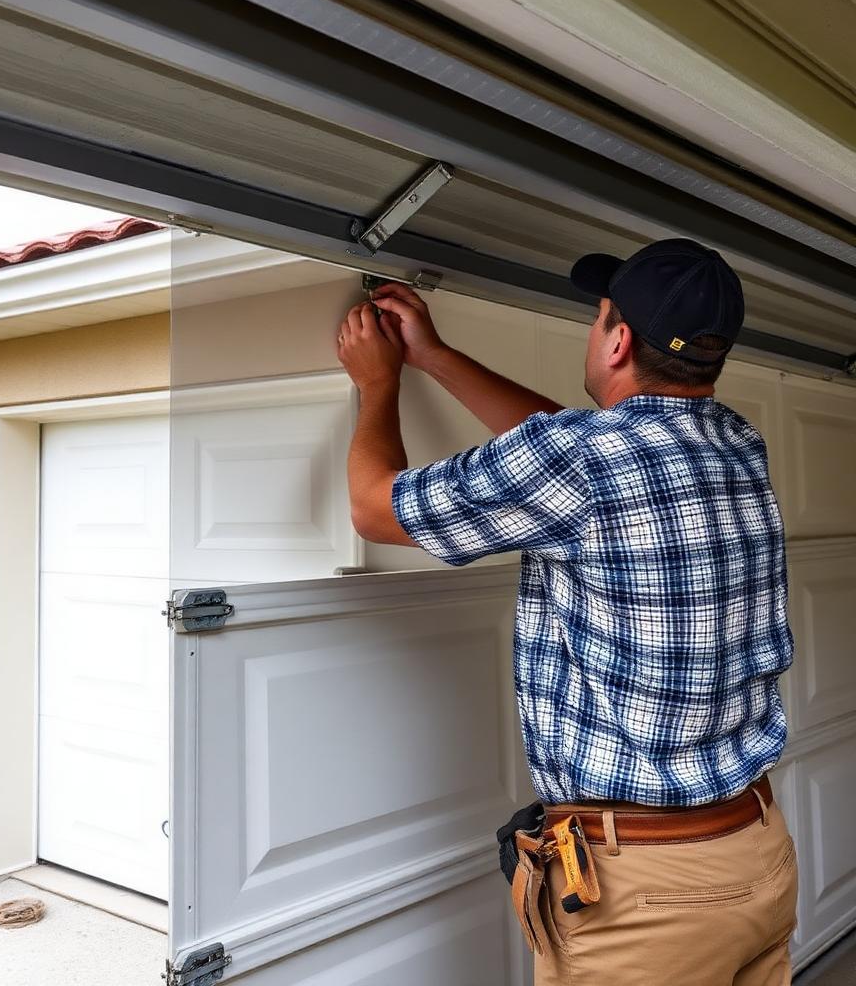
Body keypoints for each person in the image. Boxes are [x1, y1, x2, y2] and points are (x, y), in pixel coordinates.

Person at [335, 238, 798, 986]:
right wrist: (438, 358)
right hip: (756, 852)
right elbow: (572, 446)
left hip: (647, 898)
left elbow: (372, 508)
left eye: (599, 316)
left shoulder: (583, 461)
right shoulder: (736, 442)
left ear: (616, 340)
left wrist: (378, 383)